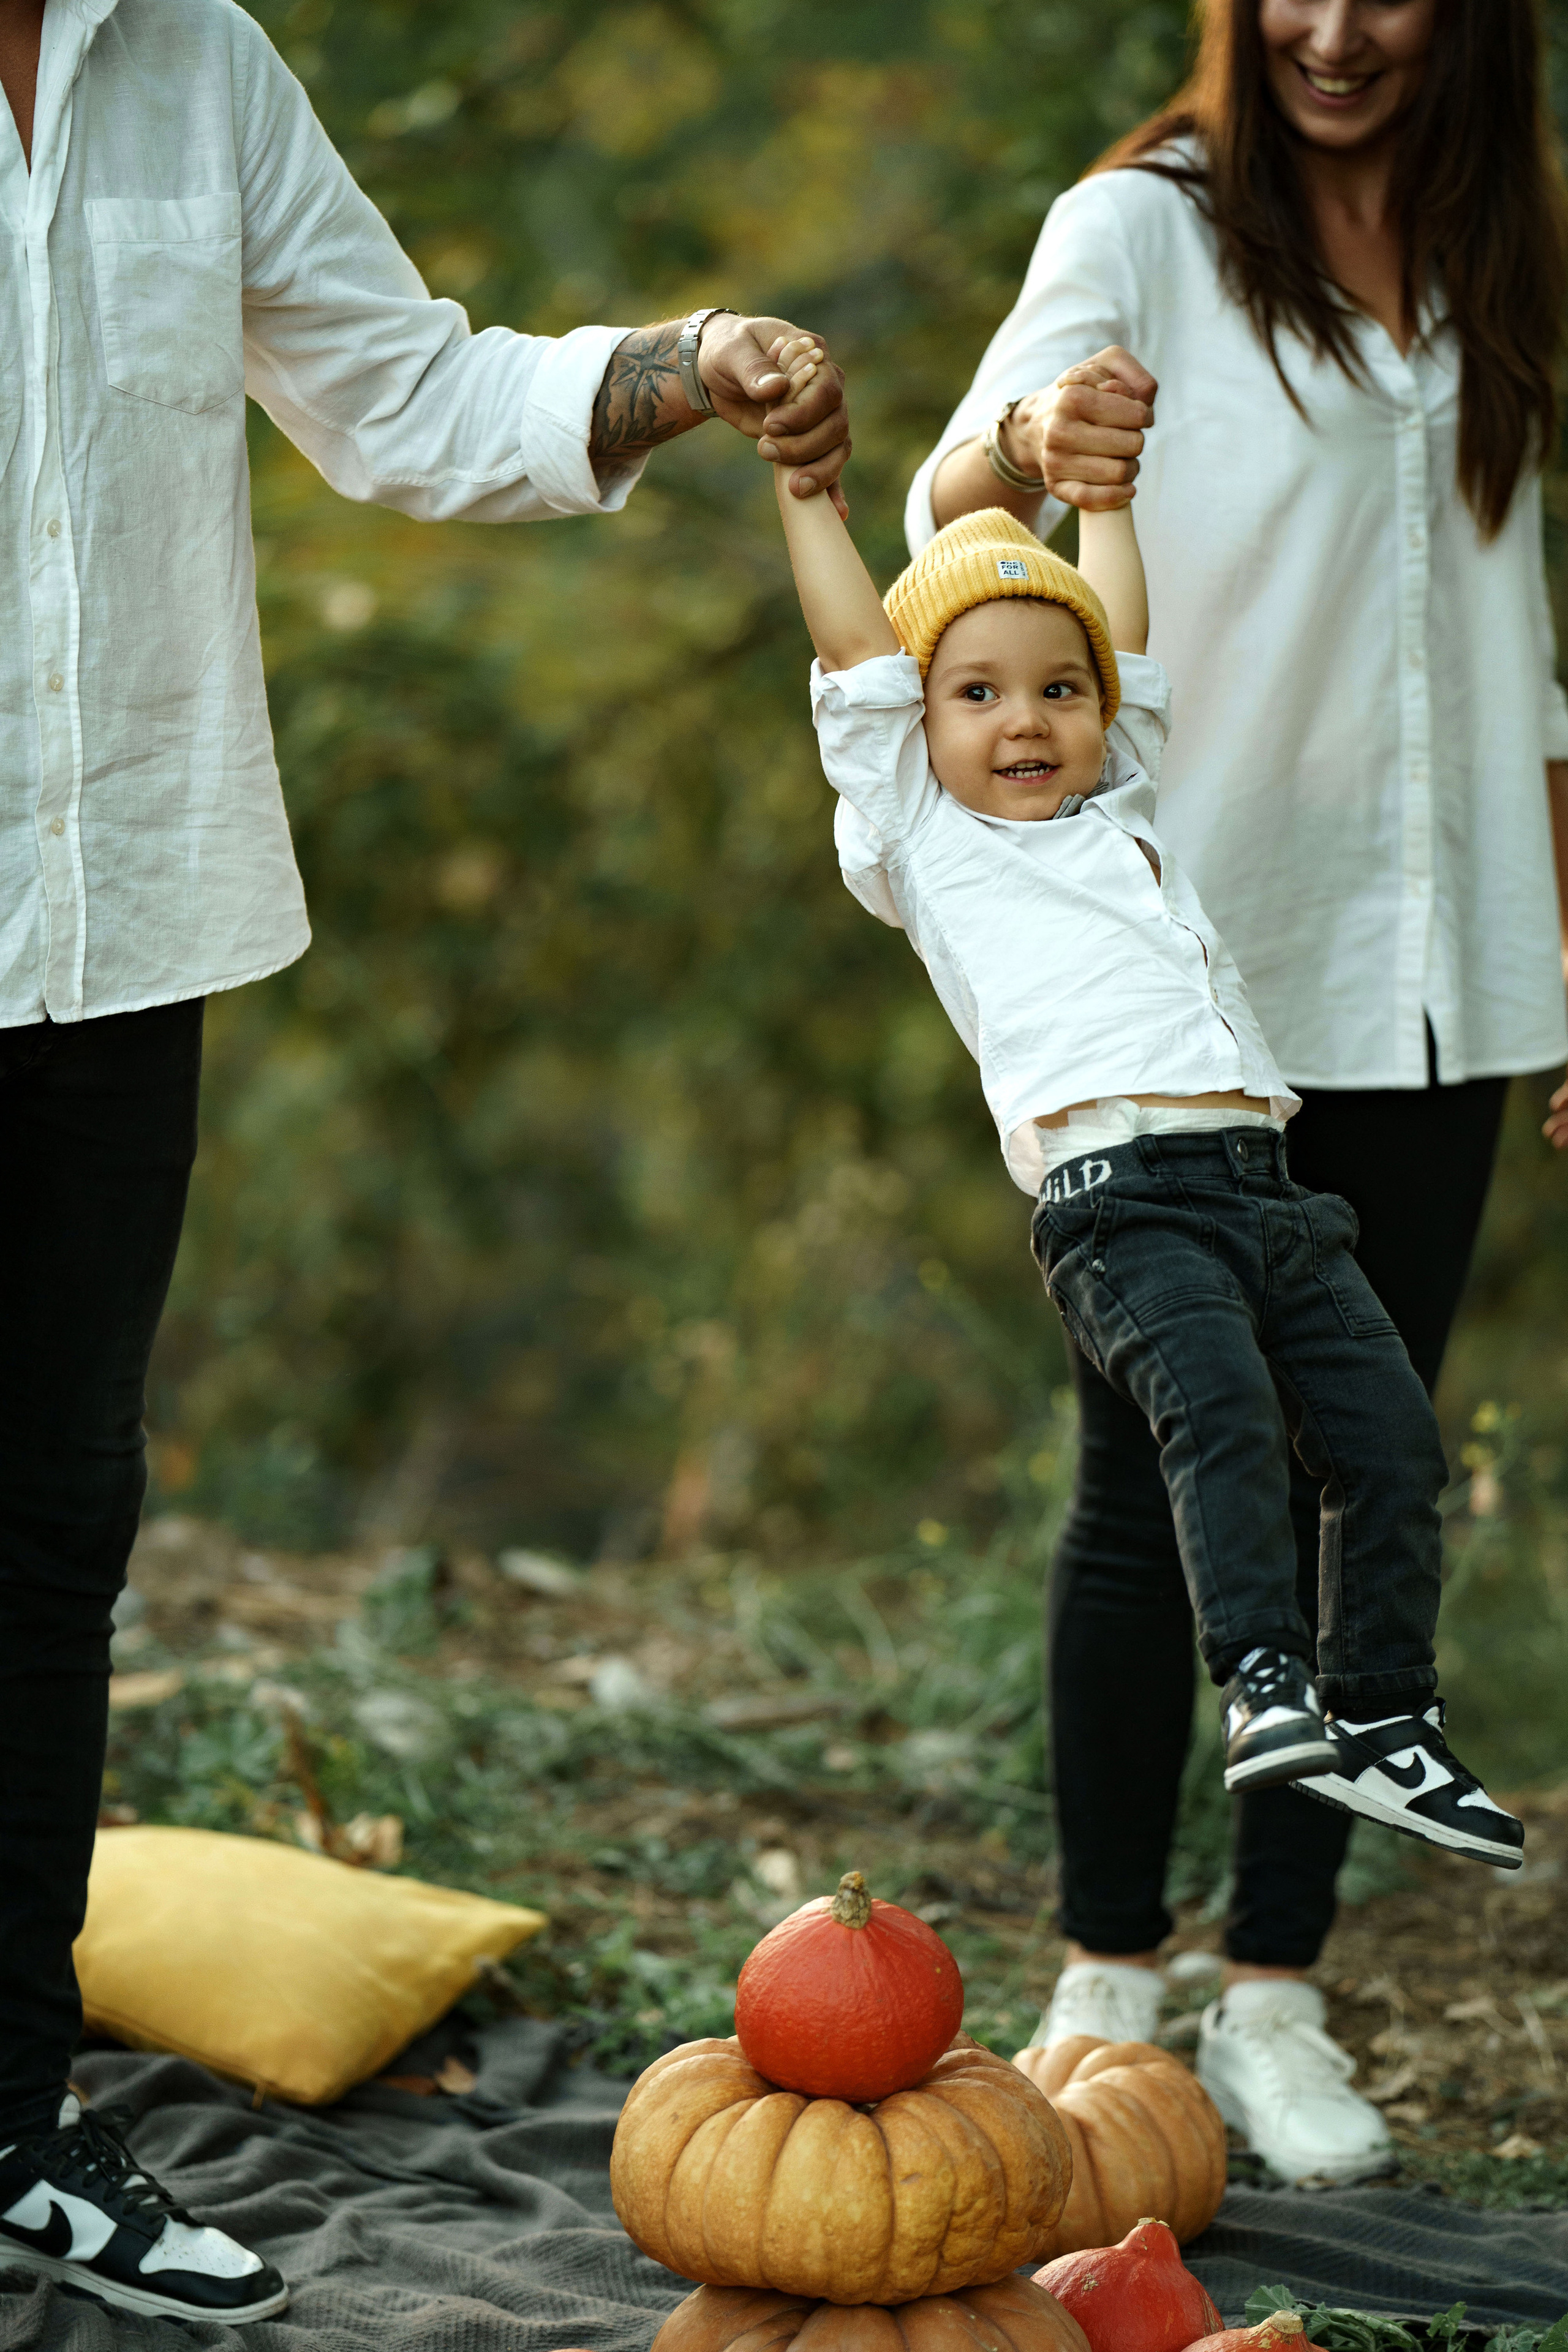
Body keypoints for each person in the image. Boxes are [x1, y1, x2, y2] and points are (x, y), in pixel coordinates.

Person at [0, 0, 851, 2323]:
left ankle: (5, 2124)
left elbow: (405, 385)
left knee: (52, 1528)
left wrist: (678, 359)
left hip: (116, 918)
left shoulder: (197, 65)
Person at [906, 0, 1568, 2185]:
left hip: (1442, 964)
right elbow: (947, 505)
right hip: (1205, 970)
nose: (1337, 28)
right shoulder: (1144, 229)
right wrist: (1033, 439)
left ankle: (1276, 1995)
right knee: (1152, 1479)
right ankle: (1106, 1978)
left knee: (1362, 1472)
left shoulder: (1502, 240)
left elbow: (1513, 626)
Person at [767, 322, 1519, 1853]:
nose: (1025, 720)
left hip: (1266, 1190)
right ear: (921, 729)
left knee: (1385, 1438)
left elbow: (1119, 637)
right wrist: (808, 504)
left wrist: (1106, 500)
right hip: (1121, 1204)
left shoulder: (1120, 798)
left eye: (1055, 692)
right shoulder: (922, 838)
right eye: (975, 695)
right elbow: (858, 662)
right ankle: (1260, 1679)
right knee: (1221, 1416)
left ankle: (1380, 1709)